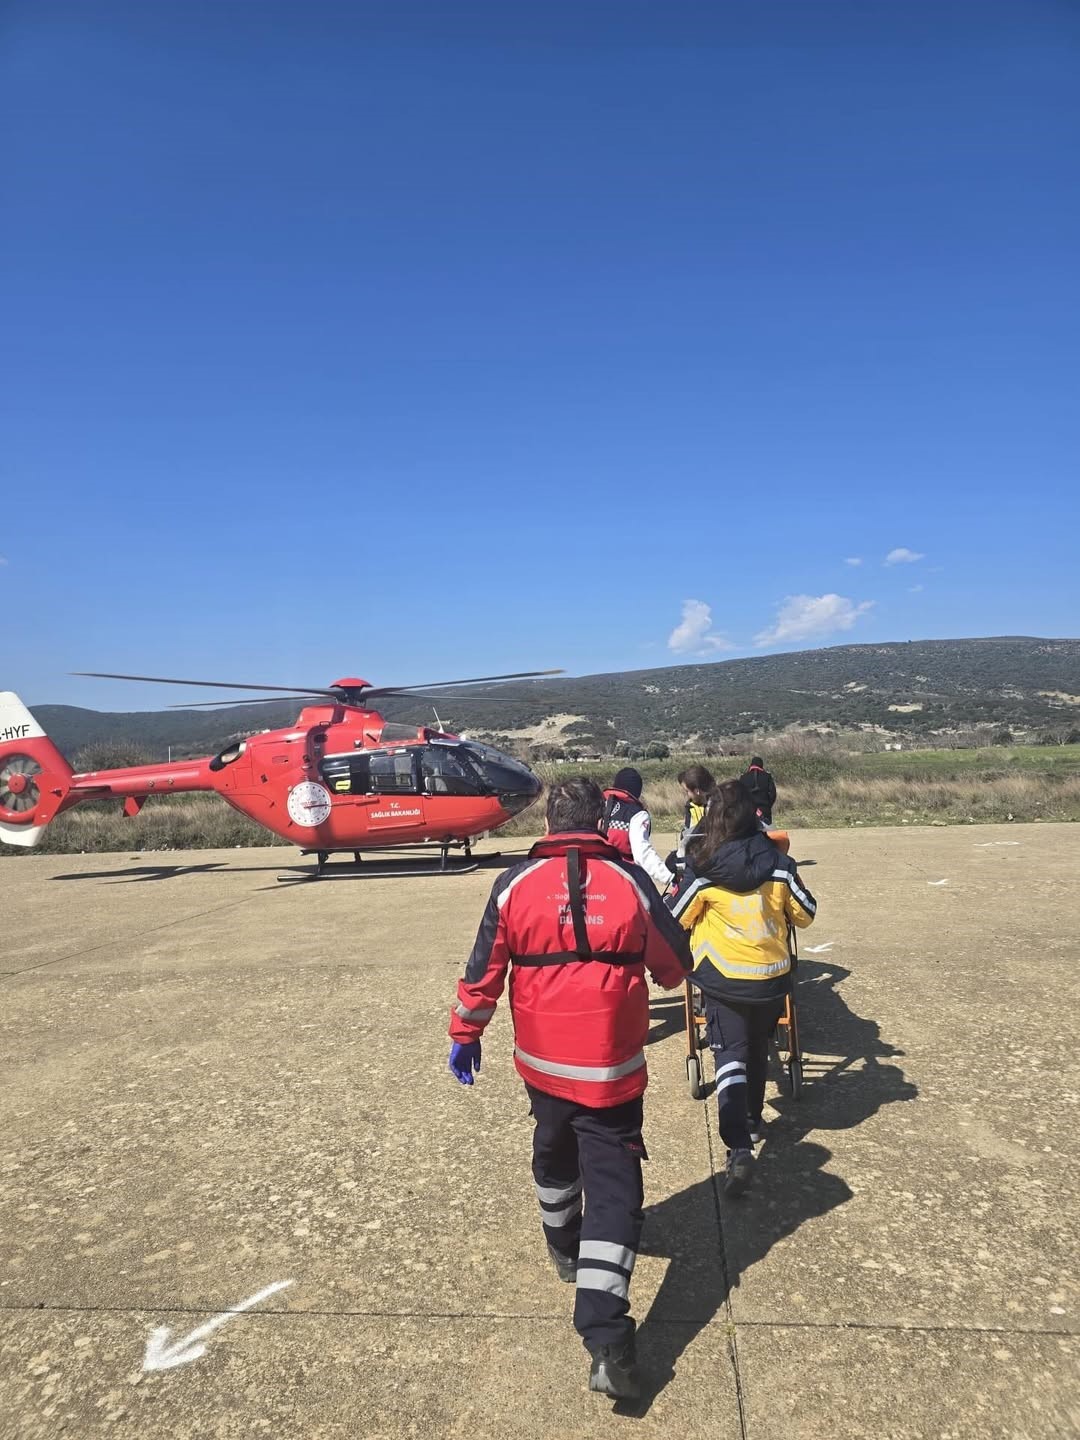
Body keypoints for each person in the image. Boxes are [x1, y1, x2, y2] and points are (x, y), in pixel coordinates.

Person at [447, 777, 692, 1401]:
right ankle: (606, 1339)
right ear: (601, 822)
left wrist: (466, 1032)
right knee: (614, 1192)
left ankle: (562, 1246)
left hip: (541, 1065)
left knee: (553, 1151)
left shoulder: (512, 886)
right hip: (611, 1070)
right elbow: (673, 967)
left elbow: (483, 970)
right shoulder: (631, 882)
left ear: (550, 826)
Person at [670, 780, 816, 1197]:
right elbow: (805, 914)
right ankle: (751, 1123)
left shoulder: (704, 867)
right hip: (770, 980)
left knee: (730, 1056)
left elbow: (677, 917)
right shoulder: (780, 864)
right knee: (756, 1050)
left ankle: (738, 1146)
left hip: (722, 978)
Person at [600, 766, 674, 891]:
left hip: (593, 876)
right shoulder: (637, 814)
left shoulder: (596, 804)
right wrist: (669, 877)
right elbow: (642, 854)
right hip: (623, 879)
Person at [669, 763, 716, 883]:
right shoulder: (691, 806)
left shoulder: (717, 806)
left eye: (687, 791)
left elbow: (686, 842)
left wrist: (680, 872)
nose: (687, 795)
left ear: (697, 791)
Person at [740, 755, 777, 826]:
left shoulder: (743, 777)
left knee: (750, 832)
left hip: (748, 810)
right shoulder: (767, 776)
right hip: (764, 809)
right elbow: (773, 793)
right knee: (766, 832)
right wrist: (768, 805)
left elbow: (740, 795)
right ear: (761, 765)